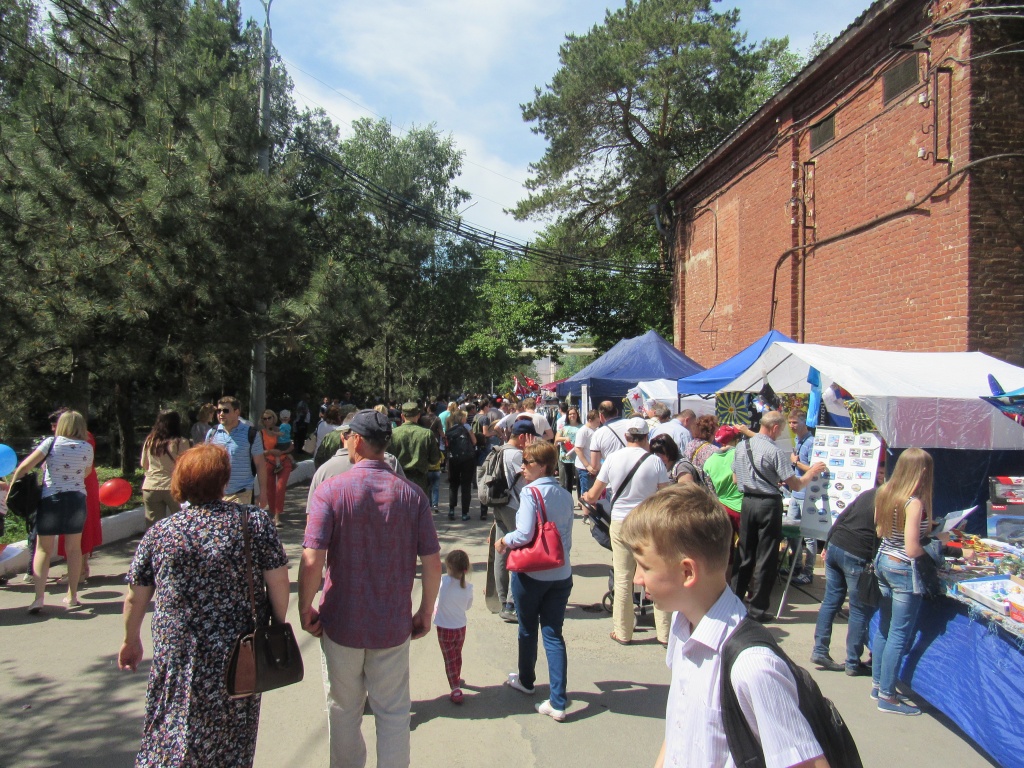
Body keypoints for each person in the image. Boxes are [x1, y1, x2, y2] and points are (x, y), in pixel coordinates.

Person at [620, 484, 826, 768]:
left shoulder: (753, 666)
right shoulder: (684, 626)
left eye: (644, 566)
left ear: (687, 572)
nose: (636, 579)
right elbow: (680, 728)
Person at [117, 444, 290, 767]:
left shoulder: (162, 532)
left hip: (178, 647)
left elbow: (135, 595)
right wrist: (277, 625)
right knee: (233, 728)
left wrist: (130, 640)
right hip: (241, 647)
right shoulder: (252, 522)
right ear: (223, 481)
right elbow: (278, 581)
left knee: (173, 718)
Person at [299, 409, 441, 768]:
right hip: (392, 624)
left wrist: (305, 608)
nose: (344, 439)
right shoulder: (412, 495)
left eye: (347, 435)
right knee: (393, 711)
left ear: (357, 441)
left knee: (343, 709)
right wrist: (425, 612)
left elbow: (312, 558)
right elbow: (432, 560)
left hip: (341, 621)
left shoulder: (331, 490)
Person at [494, 441, 574, 722]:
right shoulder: (565, 494)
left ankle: (527, 681)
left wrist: (504, 540)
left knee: (528, 629)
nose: (523, 467)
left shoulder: (530, 493)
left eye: (527, 463)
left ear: (541, 466)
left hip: (533, 573)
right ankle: (558, 701)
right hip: (561, 573)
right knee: (553, 634)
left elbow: (525, 534)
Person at [583, 417, 671, 645]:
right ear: (646, 438)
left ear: (626, 436)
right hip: (648, 522)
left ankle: (623, 632)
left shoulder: (612, 459)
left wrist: (587, 499)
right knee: (656, 574)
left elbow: (594, 494)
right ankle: (665, 633)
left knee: (623, 577)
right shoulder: (655, 462)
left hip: (621, 520)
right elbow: (665, 496)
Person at [732, 411, 826, 622]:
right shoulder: (774, 450)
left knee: (745, 553)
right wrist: (812, 472)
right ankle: (757, 608)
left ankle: (735, 601)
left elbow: (735, 477)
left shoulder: (742, 446)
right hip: (767, 503)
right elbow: (796, 484)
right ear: (774, 428)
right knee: (766, 556)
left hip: (747, 501)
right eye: (781, 429)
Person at [7, 410, 93, 613]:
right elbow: (86, 472)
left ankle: (38, 598)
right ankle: (72, 596)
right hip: (77, 499)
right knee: (74, 549)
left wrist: (12, 486)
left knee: (43, 549)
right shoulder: (87, 447)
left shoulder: (51, 443)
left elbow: (25, 466)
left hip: (51, 499)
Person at [871, 447, 934, 716]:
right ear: (920, 472)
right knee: (899, 633)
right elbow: (911, 549)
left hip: (883, 561)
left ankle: (878, 685)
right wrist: (935, 555)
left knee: (885, 628)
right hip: (902, 569)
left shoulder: (885, 492)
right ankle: (888, 695)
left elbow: (879, 529)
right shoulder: (914, 502)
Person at [811, 485, 879, 675]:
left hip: (836, 545)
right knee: (858, 608)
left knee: (831, 601)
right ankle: (852, 662)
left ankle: (820, 650)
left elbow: (842, 516)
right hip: (855, 552)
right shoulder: (891, 500)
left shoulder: (869, 493)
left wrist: (828, 542)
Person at [487, 420, 535, 623]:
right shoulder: (517, 455)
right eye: (531, 437)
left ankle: (501, 598)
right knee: (519, 550)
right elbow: (531, 479)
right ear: (523, 437)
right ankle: (512, 603)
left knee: (501, 550)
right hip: (514, 507)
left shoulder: (500, 450)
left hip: (499, 503)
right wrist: (532, 453)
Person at [205, 396, 266, 507]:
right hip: (216, 493)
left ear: (236, 412)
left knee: (239, 525)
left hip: (242, 492)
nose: (221, 414)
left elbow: (260, 464)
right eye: (219, 411)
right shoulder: (212, 433)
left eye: (225, 411)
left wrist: (263, 492)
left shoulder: (251, 434)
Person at [433, 549, 473, 704]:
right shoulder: (468, 587)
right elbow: (468, 606)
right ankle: (456, 676)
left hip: (444, 627)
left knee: (449, 658)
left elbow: (436, 594)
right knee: (457, 654)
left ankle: (455, 687)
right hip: (460, 627)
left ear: (448, 567)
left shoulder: (443, 581)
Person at [140, 410, 190, 528]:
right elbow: (187, 467)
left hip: (151, 486)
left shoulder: (150, 441)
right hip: (174, 487)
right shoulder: (181, 442)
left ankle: (154, 546)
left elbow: (144, 464)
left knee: (154, 527)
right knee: (182, 524)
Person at [786, 409, 818, 586]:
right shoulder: (798, 440)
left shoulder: (811, 442)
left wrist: (795, 462)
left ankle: (808, 571)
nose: (792, 426)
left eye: (795, 422)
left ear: (804, 422)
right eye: (790, 422)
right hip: (794, 492)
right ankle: (795, 566)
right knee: (792, 531)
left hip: (806, 494)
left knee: (809, 535)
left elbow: (813, 469)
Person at [389, 402, 442, 495]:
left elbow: (387, 457)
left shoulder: (393, 434)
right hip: (420, 481)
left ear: (402, 416)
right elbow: (435, 459)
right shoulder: (427, 434)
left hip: (398, 480)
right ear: (418, 415)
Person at [702, 425, 744, 535]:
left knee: (726, 547)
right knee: (745, 547)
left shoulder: (709, 462)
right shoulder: (740, 454)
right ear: (736, 440)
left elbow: (710, 488)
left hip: (722, 508)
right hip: (741, 507)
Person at [259, 409, 294, 526]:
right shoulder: (261, 433)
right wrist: (270, 451)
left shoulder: (282, 429)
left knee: (280, 487)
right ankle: (272, 513)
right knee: (270, 489)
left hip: (284, 461)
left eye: (270, 418)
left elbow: (291, 445)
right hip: (269, 462)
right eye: (265, 418)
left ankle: (277, 516)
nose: (267, 420)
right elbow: (259, 451)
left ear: (274, 418)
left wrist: (283, 451)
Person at [445, 410, 477, 521]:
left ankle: (451, 510)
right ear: (462, 418)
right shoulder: (467, 427)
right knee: (466, 486)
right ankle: (464, 513)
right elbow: (474, 441)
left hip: (453, 459)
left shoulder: (450, 429)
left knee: (453, 485)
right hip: (467, 460)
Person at [588, 400, 628, 470]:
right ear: (617, 411)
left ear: (601, 416)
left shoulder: (598, 434)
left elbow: (595, 465)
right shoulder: (631, 424)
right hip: (635, 472)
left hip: (613, 474)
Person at [572, 409, 600, 500]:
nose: (598, 423)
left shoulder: (595, 430)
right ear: (590, 420)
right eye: (597, 421)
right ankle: (586, 511)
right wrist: (587, 466)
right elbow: (578, 449)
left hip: (593, 466)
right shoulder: (583, 431)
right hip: (585, 468)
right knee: (587, 492)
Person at [555, 406, 581, 497]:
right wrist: (565, 438)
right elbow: (556, 439)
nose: (572, 415)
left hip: (579, 456)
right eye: (570, 414)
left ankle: (580, 499)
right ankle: (569, 499)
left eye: (574, 413)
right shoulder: (563, 427)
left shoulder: (582, 427)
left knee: (578, 479)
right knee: (568, 479)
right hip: (566, 455)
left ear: (577, 415)